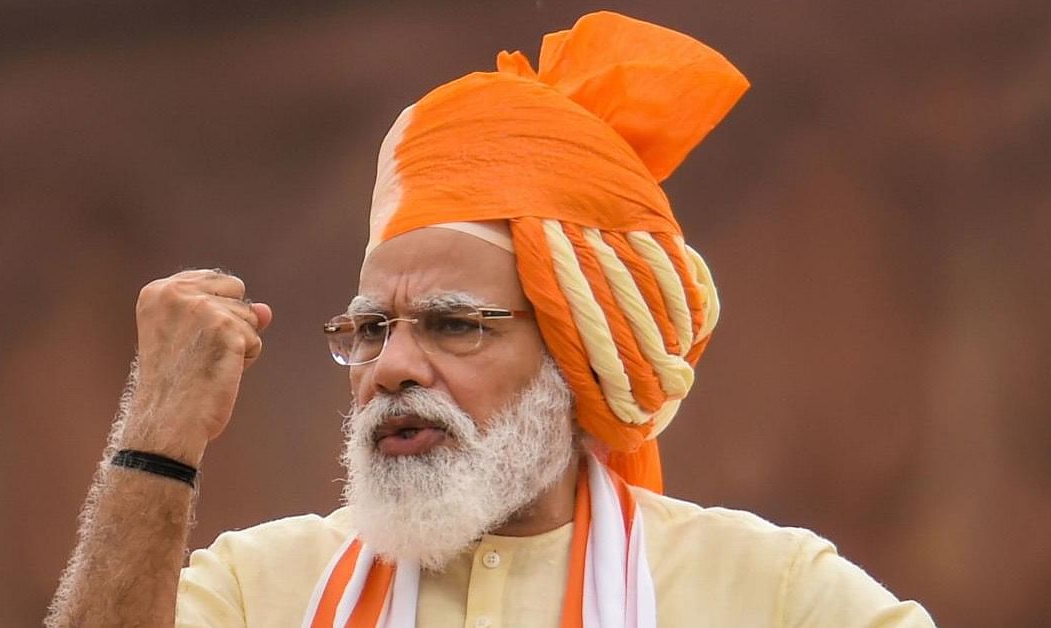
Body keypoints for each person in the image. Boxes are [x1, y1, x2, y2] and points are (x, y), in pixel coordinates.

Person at [46, 11, 935, 628]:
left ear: (572, 356)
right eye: (370, 329)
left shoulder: (762, 590)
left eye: (452, 325)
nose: (389, 366)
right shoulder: (261, 587)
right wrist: (157, 440)